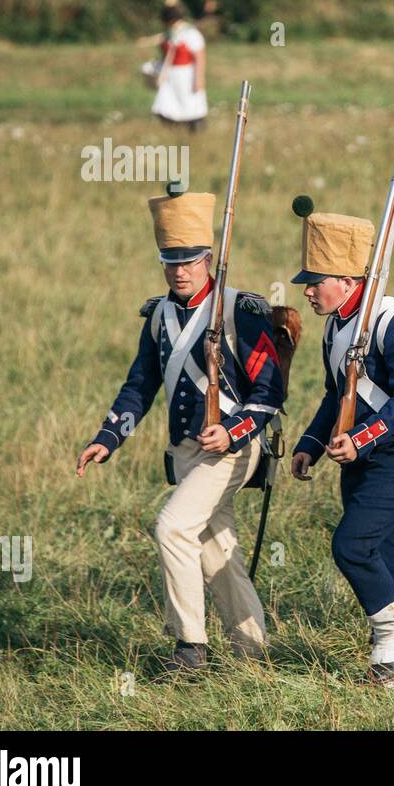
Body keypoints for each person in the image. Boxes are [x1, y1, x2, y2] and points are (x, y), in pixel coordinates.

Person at [76, 189, 284, 672]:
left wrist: (234, 430)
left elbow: (270, 393)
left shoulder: (240, 311)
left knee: (172, 527)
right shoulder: (158, 317)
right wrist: (107, 438)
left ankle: (190, 646)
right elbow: (139, 386)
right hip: (186, 452)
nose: (180, 271)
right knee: (215, 551)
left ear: (208, 259)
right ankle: (253, 651)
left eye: (190, 261)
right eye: (171, 262)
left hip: (235, 448)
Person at [287, 200, 394, 687]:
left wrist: (360, 439)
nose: (309, 291)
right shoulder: (335, 327)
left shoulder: (390, 321)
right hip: (355, 460)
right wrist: (310, 444)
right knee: (380, 550)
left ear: (348, 280)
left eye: (316, 281)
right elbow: (334, 396)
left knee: (351, 546)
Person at [150, 0, 208, 131]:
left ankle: (193, 129)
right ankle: (172, 130)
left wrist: (199, 78)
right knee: (165, 104)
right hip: (170, 75)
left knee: (191, 104)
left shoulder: (191, 34)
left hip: (187, 74)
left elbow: (199, 56)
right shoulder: (169, 34)